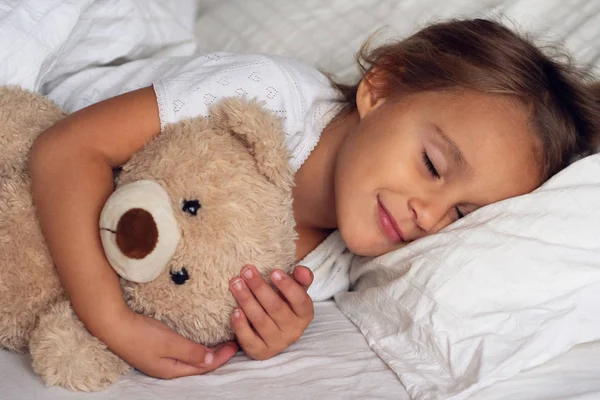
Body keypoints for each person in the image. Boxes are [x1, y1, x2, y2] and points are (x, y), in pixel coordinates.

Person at [29, 18, 600, 381]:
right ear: (381, 88)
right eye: (431, 165)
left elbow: (183, 290)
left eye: (460, 214)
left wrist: (266, 332)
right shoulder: (265, 96)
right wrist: (110, 320)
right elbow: (63, 150)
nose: (428, 215)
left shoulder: (347, 265)